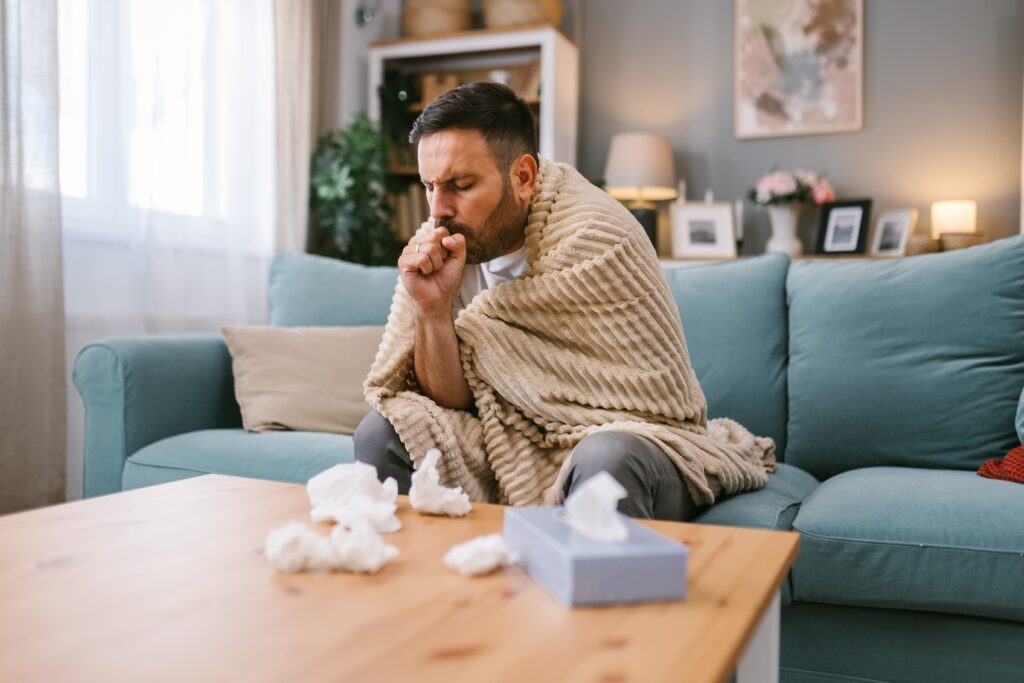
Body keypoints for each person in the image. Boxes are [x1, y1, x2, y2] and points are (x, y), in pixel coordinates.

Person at [355, 82, 775, 521]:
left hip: (632, 438)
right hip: (502, 438)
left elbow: (656, 405)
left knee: (605, 460)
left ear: (523, 177)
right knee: (382, 432)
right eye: (429, 186)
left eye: (461, 185)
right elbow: (452, 402)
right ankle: (433, 568)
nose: (438, 209)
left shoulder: (598, 237)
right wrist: (432, 309)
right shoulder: (443, 240)